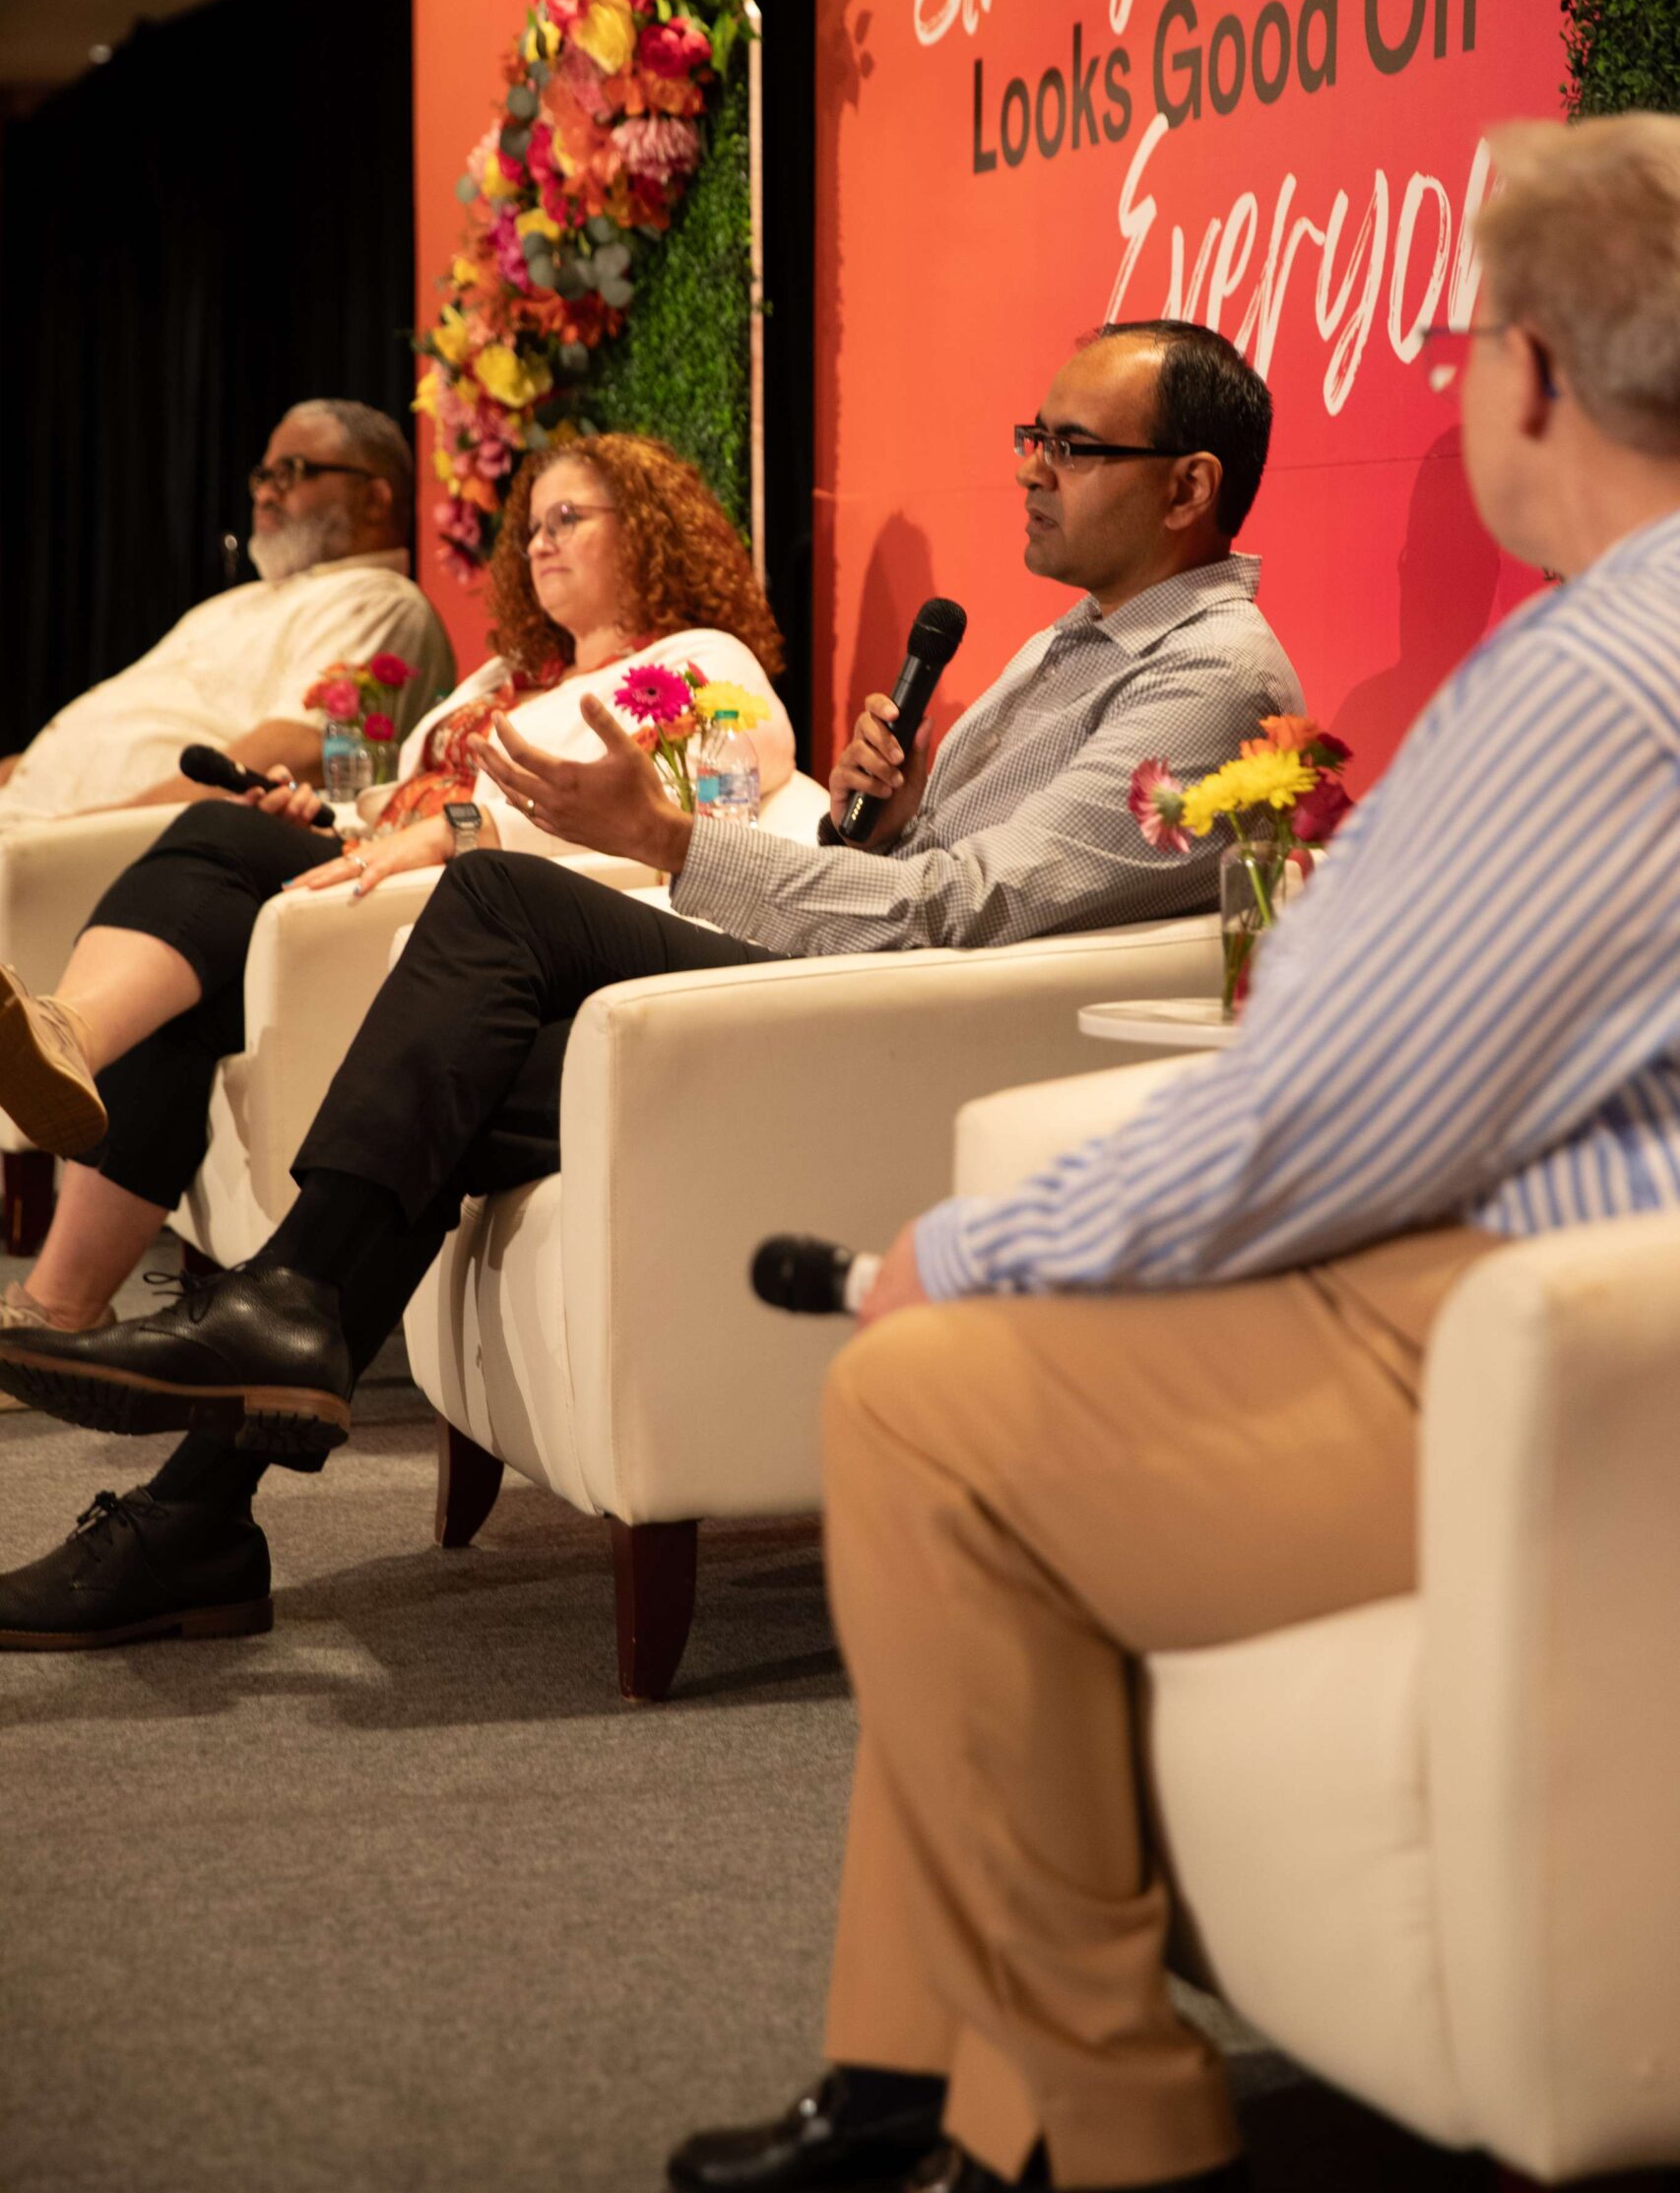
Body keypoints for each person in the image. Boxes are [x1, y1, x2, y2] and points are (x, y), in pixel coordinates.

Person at [656, 110, 1680, 2193]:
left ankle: (1109, 2128)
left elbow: (1324, 1104)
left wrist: (975, 1244)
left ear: (1534, 376)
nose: (1037, 467)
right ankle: (928, 2093)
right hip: (1530, 1289)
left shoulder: (1591, 672)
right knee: (976, 1401)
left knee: (925, 1405)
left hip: (1540, 1343)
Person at [0, 318, 1302, 1649]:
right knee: (453, 1066)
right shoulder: (1072, 641)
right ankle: (200, 1508)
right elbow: (945, 875)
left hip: (882, 1033)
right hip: (855, 984)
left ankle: (250, 1367)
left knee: (498, 903)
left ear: (1186, 487)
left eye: (1069, 446)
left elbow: (975, 913)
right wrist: (895, 808)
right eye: (1031, 437)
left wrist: (671, 840)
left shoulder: (1211, 676)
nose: (1030, 467)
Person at [0, 433, 792, 1348]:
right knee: (189, 969)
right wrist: (324, 811)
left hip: (472, 905)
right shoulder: (505, 676)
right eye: (532, 526)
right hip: (376, 861)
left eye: (568, 518)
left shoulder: (703, 655)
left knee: (213, 841)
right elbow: (399, 794)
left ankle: (69, 1036)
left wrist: (456, 831)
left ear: (651, 531)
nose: (540, 541)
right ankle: (57, 1304)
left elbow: (697, 789)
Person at [0, 400, 450, 818]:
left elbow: (301, 750)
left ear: (375, 499)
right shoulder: (235, 603)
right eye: (263, 476)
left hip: (92, 842)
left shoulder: (381, 601)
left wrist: (82, 831)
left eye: (290, 472)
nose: (265, 494)